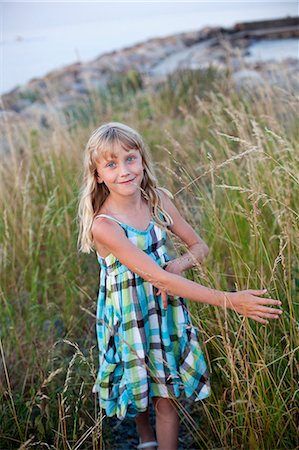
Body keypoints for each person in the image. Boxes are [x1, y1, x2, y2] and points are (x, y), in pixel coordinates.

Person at [77, 122, 282, 450]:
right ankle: (145, 437)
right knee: (137, 384)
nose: (125, 171)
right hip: (129, 315)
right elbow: (155, 277)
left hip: (163, 308)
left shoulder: (157, 200)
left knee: (166, 396)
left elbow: (199, 246)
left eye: (130, 159)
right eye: (111, 164)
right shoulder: (105, 226)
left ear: (142, 160)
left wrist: (179, 263)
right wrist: (230, 300)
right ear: (98, 174)